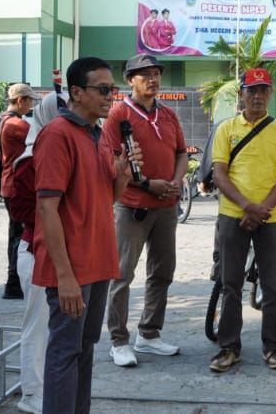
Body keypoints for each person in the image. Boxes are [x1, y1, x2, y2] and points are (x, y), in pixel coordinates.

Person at [34, 57, 138, 414]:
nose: (111, 96)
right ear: (76, 93)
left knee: (85, 348)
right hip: (72, 268)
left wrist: (121, 180)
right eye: (103, 89)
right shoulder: (57, 135)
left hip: (98, 261)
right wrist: (64, 277)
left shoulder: (98, 134)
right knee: (64, 352)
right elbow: (47, 209)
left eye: (113, 89)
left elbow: (100, 201)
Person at [208, 68, 276, 374]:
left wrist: (263, 209)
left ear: (270, 94)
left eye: (263, 91)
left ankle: (273, 347)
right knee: (229, 284)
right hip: (233, 216)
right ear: (241, 94)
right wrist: (247, 206)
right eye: (251, 90)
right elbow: (219, 174)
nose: (257, 96)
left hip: (271, 218)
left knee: (273, 286)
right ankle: (228, 347)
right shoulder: (227, 129)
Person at [101, 54, 187, 368]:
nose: (152, 79)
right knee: (122, 274)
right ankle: (118, 340)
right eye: (144, 74)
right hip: (132, 206)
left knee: (162, 272)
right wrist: (150, 184)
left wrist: (176, 182)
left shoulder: (168, 114)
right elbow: (113, 164)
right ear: (130, 80)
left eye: (155, 74)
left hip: (166, 206)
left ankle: (149, 334)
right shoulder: (118, 115)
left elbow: (181, 153)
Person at [7, 91, 65, 414]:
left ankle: (45, 390)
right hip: (36, 251)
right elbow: (23, 210)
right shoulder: (29, 159)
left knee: (52, 328)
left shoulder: (58, 151)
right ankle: (31, 394)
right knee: (37, 325)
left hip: (54, 252)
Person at [0, 83, 38, 301]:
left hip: (10, 184)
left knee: (15, 234)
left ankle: (13, 283)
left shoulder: (6, 120)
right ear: (21, 100)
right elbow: (40, 136)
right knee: (19, 235)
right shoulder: (16, 124)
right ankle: (14, 283)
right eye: (30, 100)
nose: (31, 105)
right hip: (16, 185)